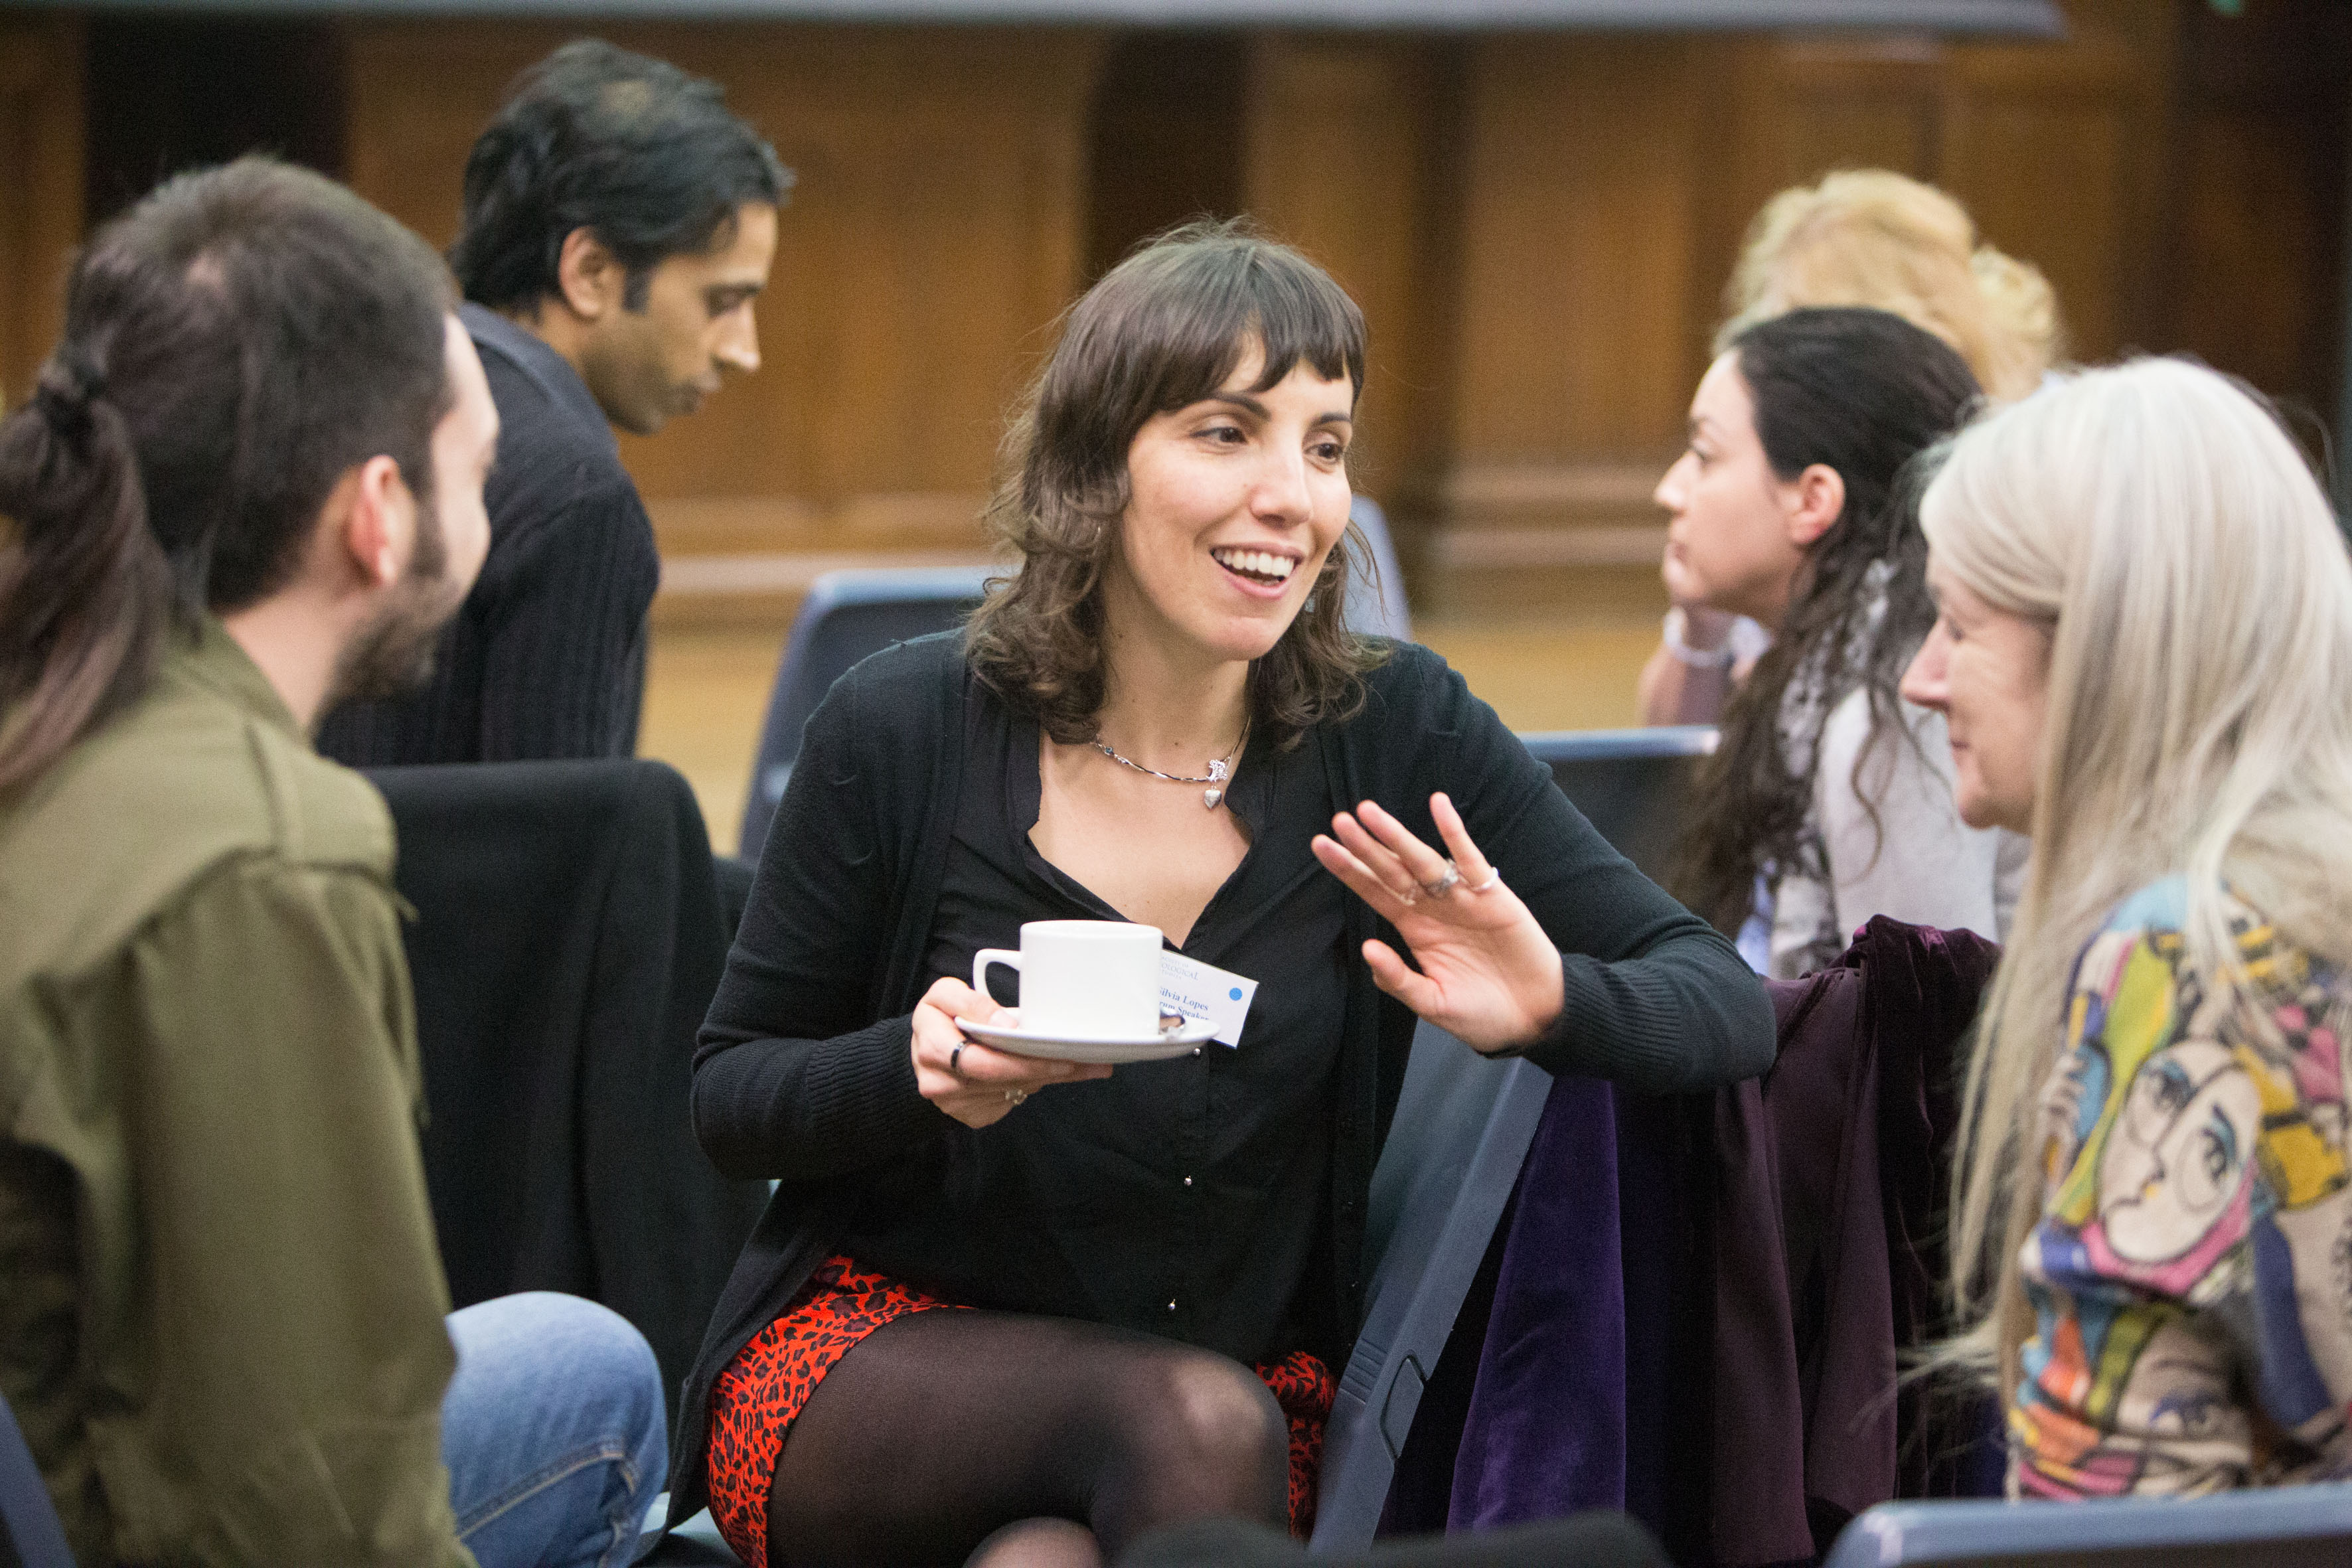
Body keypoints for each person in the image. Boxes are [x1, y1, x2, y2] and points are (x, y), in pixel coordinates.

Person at [663, 221, 1775, 1568]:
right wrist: (916, 1068)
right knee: (1180, 1418)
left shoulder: (1389, 729)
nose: (1291, 496)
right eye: (1226, 432)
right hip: (878, 1360)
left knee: (1057, 1549)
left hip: (1231, 1401)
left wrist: (1553, 1001)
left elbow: (1722, 1003)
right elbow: (731, 1097)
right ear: (1094, 467)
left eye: (1325, 445)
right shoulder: (902, 728)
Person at [0, 157, 665, 1567]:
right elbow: (310, 1505)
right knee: (607, 1388)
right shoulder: (264, 860)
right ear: (378, 514)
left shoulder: (54, 708)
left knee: (579, 1357)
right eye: (477, 472)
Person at [1906, 358, 2352, 1496]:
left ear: (2103, 647)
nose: (1920, 677)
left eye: (1955, 624)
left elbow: (2111, 1515)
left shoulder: (2181, 953)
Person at [317, 39, 788, 767]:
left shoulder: (354, 394)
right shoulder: (581, 499)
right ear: (590, 271)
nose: (743, 351)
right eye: (722, 301)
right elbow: (559, 830)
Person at [1656, 306, 2021, 979]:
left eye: (1704, 456)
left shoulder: (1895, 707)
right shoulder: (1818, 659)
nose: (1669, 490)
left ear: (1813, 500)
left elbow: (1920, 1021)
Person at [1639, 169, 2061, 728]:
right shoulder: (1769, 475)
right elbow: (1668, 754)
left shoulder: (2036, 468)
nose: (1773, 370)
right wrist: (1700, 630)